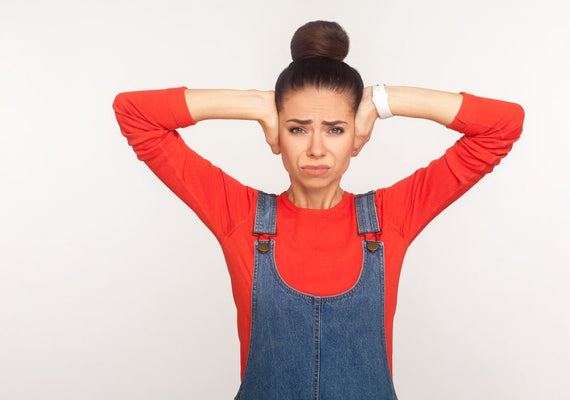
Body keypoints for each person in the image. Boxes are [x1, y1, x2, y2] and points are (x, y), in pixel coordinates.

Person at [112, 20, 524, 400]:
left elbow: (502, 125)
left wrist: (382, 100)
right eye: (297, 128)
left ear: (357, 136)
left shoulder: (390, 218)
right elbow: (135, 114)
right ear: (277, 134)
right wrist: (256, 104)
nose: (316, 149)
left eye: (335, 129)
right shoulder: (239, 216)